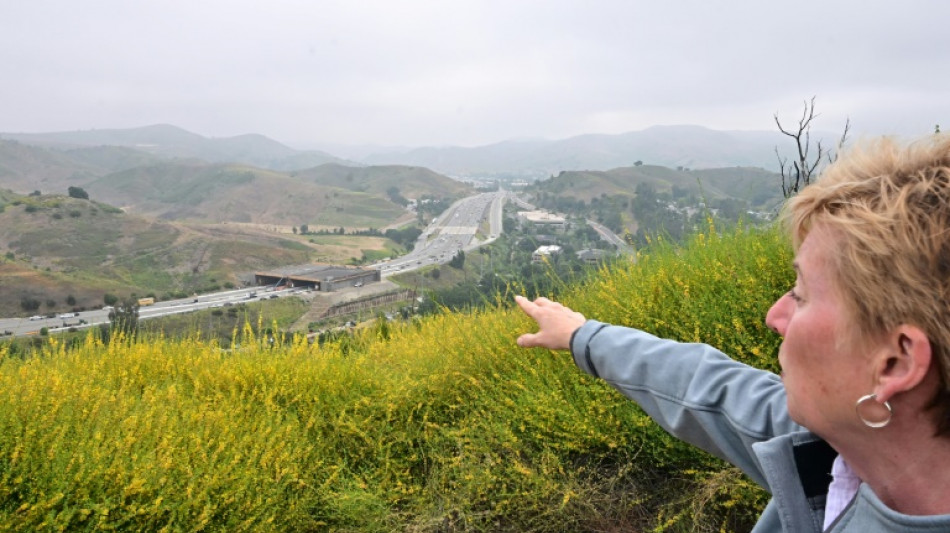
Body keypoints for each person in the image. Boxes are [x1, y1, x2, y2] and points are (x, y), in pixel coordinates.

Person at [515, 134, 950, 532]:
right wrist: (583, 335)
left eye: (800, 295)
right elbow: (711, 389)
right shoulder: (839, 451)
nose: (773, 316)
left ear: (894, 363)